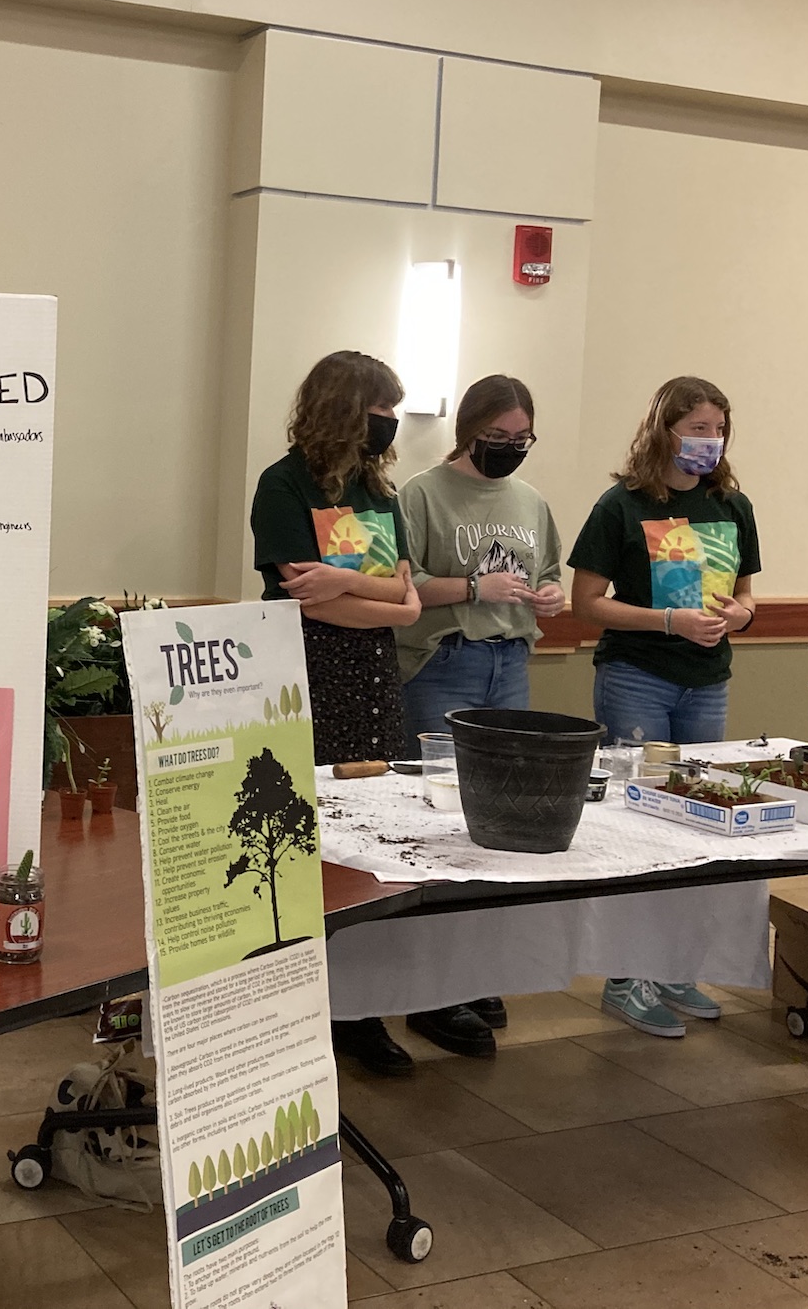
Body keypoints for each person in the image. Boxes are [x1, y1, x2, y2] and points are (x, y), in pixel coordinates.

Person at [569, 375, 762, 1039]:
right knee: (640, 819)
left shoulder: (731, 505)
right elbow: (587, 605)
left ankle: (673, 962)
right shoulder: (621, 507)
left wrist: (739, 614)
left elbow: (747, 597)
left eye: (718, 429)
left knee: (696, 820)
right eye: (698, 428)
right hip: (637, 676)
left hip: (708, 681)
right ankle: (626, 975)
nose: (709, 441)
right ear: (664, 430)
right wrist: (667, 621)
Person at [250, 350, 421, 1073]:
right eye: (384, 411)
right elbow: (302, 595)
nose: (391, 424)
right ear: (349, 409)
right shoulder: (284, 484)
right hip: (303, 675)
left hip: (372, 679)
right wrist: (377, 593)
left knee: (372, 836)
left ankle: (358, 1009)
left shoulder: (380, 490)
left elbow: (409, 601)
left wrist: (349, 583)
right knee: (301, 839)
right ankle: (291, 1004)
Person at [390, 374, 564, 1059]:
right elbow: (401, 586)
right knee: (440, 817)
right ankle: (430, 988)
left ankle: (473, 970)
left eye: (522, 440)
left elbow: (548, 576)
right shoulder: (423, 494)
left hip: (509, 660)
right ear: (470, 431)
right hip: (445, 661)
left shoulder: (529, 500)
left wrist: (547, 597)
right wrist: (471, 586)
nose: (511, 450)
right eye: (498, 439)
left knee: (501, 816)